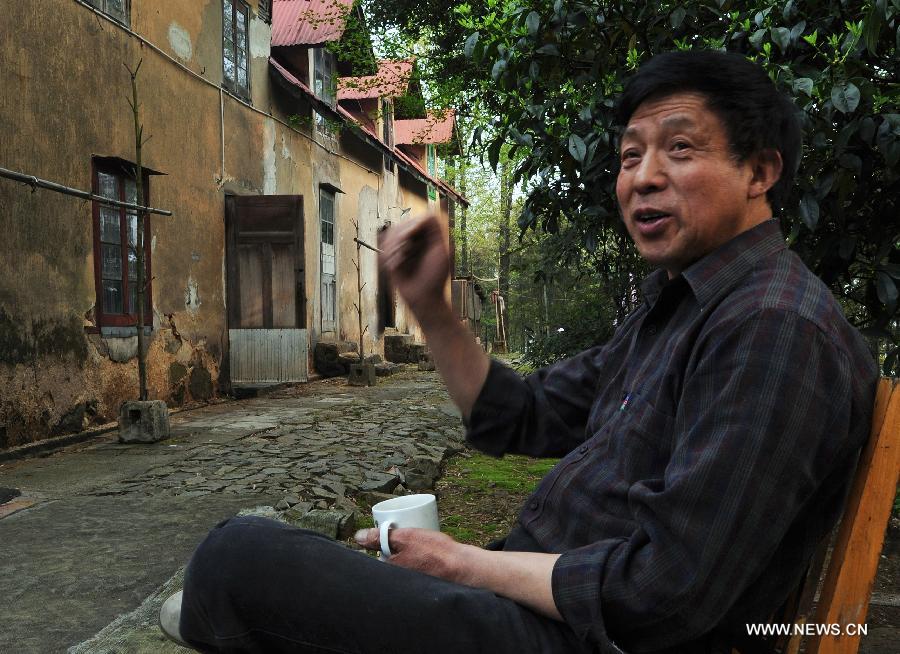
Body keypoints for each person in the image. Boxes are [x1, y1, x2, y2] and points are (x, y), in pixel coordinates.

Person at [164, 50, 877, 654]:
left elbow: (666, 593)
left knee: (238, 557)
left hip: (579, 638)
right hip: (535, 607)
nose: (643, 178)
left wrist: (463, 565)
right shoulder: (678, 309)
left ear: (760, 172)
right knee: (281, 551)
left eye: (680, 149)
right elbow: (522, 415)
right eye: (631, 156)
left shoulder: (773, 328)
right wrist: (432, 309)